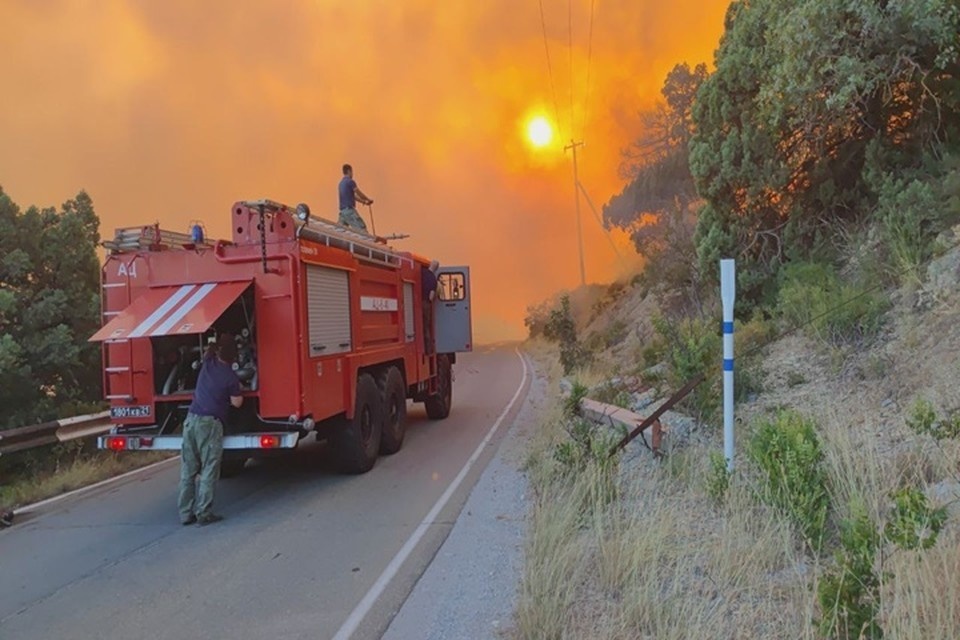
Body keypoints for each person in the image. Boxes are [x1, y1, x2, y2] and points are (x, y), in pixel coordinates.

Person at [178, 334, 242, 526]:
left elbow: (208, 351)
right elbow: (237, 403)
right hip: (210, 425)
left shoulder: (208, 363)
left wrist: (213, 343)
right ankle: (204, 513)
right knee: (209, 468)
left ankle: (185, 514)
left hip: (191, 420)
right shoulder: (230, 376)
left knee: (188, 470)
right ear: (234, 356)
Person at [338, 164, 374, 232]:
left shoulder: (341, 183)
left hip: (342, 212)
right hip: (349, 211)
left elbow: (353, 196)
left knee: (340, 231)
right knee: (362, 229)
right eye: (352, 172)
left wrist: (363, 202)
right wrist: (368, 199)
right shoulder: (350, 181)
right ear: (349, 171)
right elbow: (358, 193)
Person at [421, 260, 440, 352]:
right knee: (426, 327)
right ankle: (428, 349)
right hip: (425, 304)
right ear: (436, 268)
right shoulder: (433, 279)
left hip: (417, 303)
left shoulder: (422, 273)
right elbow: (431, 297)